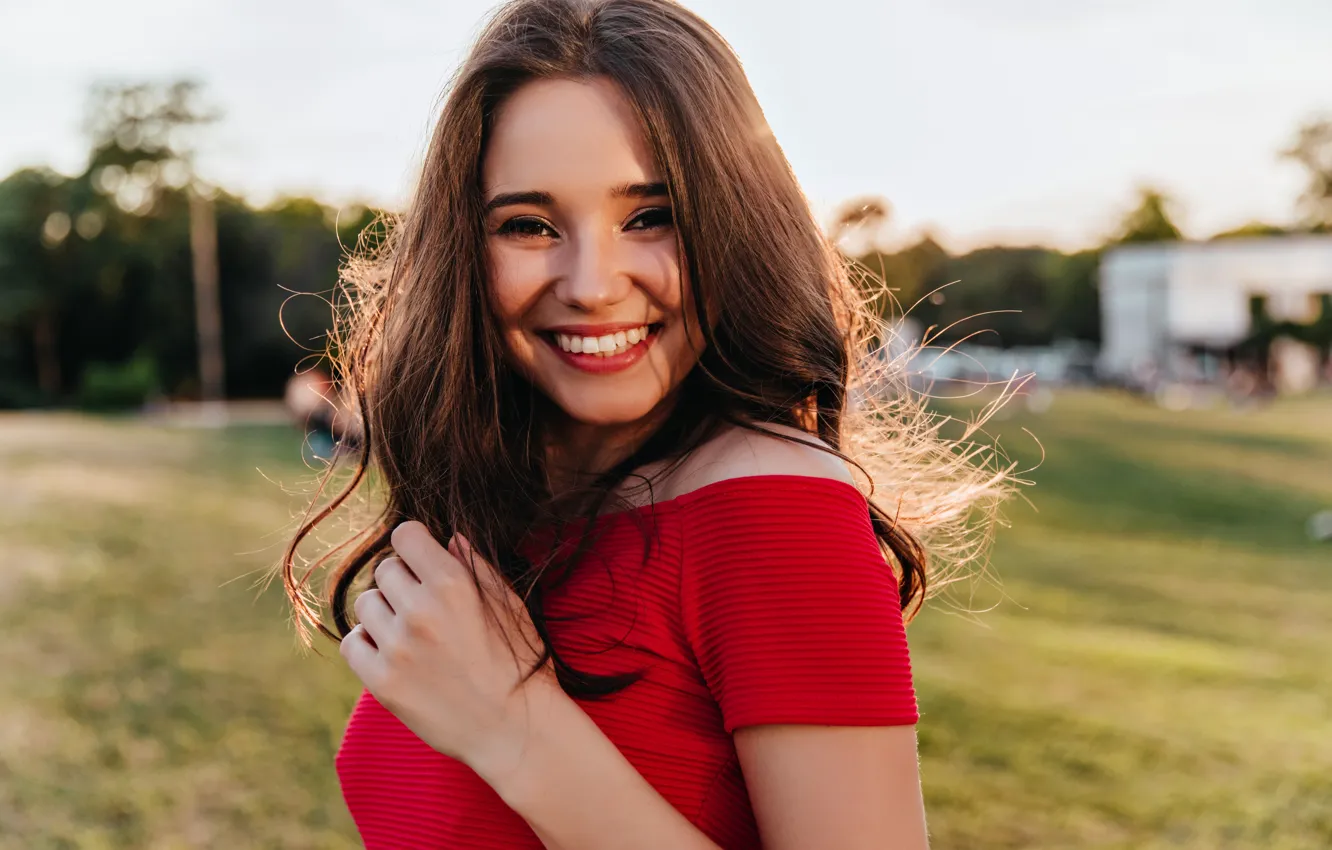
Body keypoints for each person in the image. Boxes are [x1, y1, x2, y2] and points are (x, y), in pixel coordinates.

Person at [279, 0, 1014, 846]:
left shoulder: (776, 512)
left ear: (737, 227)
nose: (592, 283)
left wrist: (518, 732)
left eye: (651, 216)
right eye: (529, 225)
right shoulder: (508, 503)